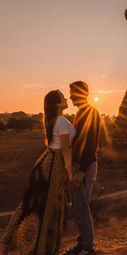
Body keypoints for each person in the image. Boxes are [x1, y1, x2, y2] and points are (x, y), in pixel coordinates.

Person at [0, 90, 76, 255]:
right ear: (57, 102)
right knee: (46, 207)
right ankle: (32, 247)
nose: (66, 98)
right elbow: (66, 151)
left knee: (30, 204)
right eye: (63, 96)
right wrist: (70, 174)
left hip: (46, 162)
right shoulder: (61, 121)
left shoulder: (55, 120)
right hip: (54, 165)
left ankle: (6, 244)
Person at [63, 81, 100, 255]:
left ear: (80, 93)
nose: (69, 96)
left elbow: (91, 144)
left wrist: (82, 171)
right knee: (79, 207)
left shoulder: (90, 113)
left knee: (82, 208)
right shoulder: (81, 113)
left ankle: (88, 247)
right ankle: (82, 242)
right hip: (81, 165)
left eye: (72, 93)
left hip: (85, 166)